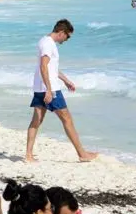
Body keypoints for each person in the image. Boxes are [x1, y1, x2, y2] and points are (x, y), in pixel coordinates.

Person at [25, 19, 97, 163]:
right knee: (67, 119)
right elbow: (43, 66)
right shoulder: (48, 44)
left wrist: (65, 80)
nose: (67, 39)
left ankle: (28, 155)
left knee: (37, 120)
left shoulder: (45, 41)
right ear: (62, 32)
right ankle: (82, 154)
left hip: (41, 87)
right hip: (49, 88)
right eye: (68, 36)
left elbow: (51, 68)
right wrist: (49, 90)